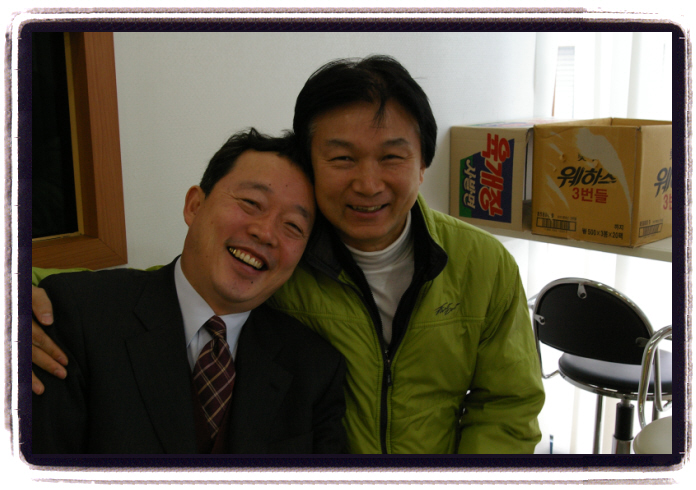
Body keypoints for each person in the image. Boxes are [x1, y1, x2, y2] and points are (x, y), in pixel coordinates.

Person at [32, 55, 545, 454]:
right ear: (312, 163)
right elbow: (175, 287)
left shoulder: (483, 264)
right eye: (342, 158)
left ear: (423, 164)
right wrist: (20, 294)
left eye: (392, 156)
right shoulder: (289, 257)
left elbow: (508, 404)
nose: (368, 184)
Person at [31, 129, 347, 454]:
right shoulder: (77, 314)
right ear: (194, 206)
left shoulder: (315, 368)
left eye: (293, 225)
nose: (266, 233)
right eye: (251, 203)